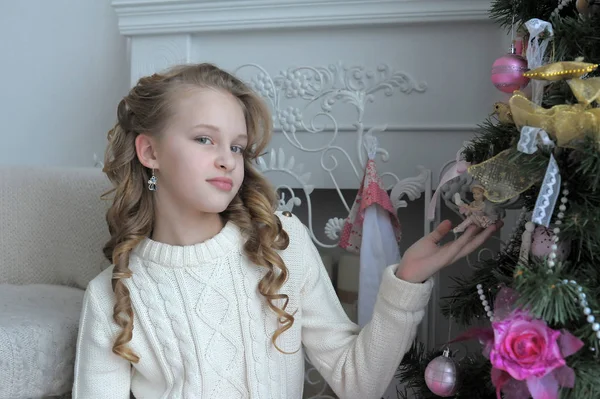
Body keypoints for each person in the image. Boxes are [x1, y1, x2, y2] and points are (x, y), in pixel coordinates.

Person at [72, 63, 502, 399]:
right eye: (205, 139)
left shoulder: (280, 246)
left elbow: (358, 383)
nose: (227, 159)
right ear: (149, 151)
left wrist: (406, 281)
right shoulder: (112, 296)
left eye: (237, 146)